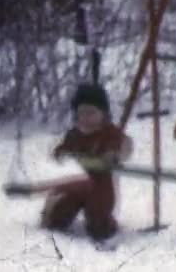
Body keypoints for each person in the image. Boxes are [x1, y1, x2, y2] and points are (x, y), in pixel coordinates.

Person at [41, 83, 133, 240]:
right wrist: (60, 153)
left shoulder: (110, 133)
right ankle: (55, 219)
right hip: (79, 183)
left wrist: (112, 156)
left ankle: (106, 226)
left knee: (98, 221)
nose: (86, 118)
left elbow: (121, 146)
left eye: (92, 113)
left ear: (103, 114)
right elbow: (62, 148)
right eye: (82, 113)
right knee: (60, 210)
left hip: (102, 185)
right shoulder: (74, 135)